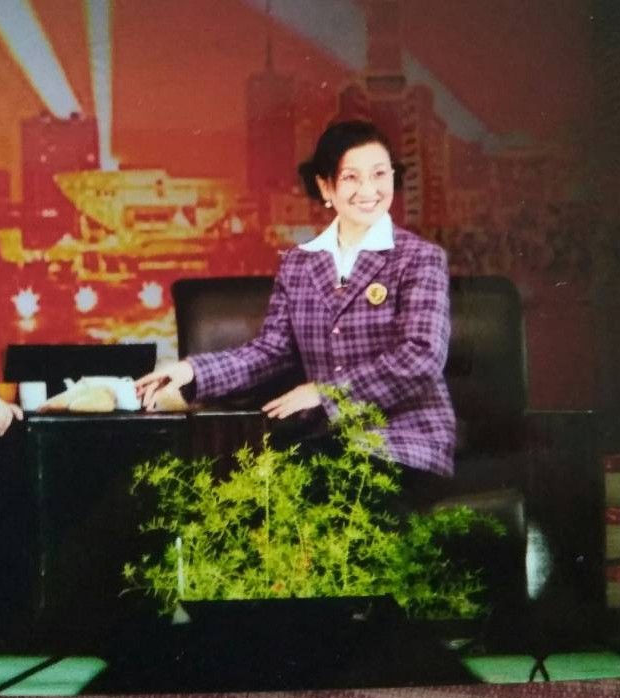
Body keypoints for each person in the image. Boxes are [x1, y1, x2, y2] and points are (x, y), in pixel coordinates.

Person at [136, 120, 456, 502]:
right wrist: (191, 371)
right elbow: (271, 351)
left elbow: (422, 356)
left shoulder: (420, 258)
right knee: (236, 495)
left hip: (404, 441)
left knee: (307, 497)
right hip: (325, 440)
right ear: (326, 187)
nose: (369, 190)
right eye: (351, 177)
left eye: (379, 174)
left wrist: (326, 393)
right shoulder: (298, 263)